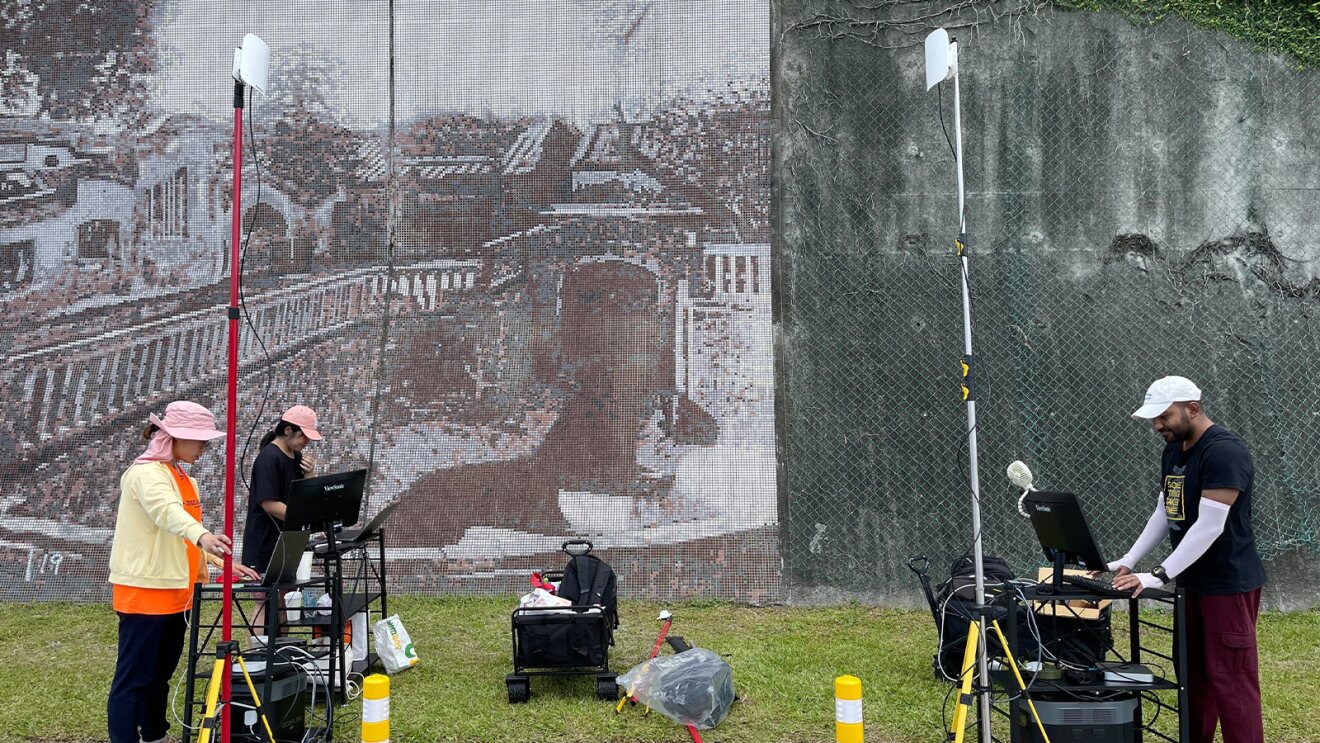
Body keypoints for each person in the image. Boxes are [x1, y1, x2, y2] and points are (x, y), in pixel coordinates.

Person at [1108, 375, 1265, 743]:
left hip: (1228, 585)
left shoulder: (1224, 452)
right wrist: (1129, 560)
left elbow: (1209, 527)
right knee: (1193, 678)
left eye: (1164, 416)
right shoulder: (1174, 450)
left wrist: (1158, 575)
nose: (1157, 425)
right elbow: (1165, 511)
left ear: (1192, 408)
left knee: (1232, 682)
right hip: (1192, 584)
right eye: (1153, 419)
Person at [107, 401, 260, 743]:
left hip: (178, 591)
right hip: (146, 593)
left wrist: (222, 562)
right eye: (200, 440)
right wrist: (204, 536)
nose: (205, 447)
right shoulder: (146, 474)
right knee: (134, 678)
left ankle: (154, 734)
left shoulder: (181, 477)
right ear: (173, 436)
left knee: (159, 674)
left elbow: (183, 535)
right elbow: (168, 514)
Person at [241, 405, 322, 574]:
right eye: (303, 436)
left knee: (289, 595)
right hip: (265, 541)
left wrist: (309, 474)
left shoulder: (296, 456)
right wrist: (306, 519)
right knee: (267, 598)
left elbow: (304, 497)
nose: (306, 442)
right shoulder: (269, 458)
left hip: (287, 539)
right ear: (287, 430)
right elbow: (269, 504)